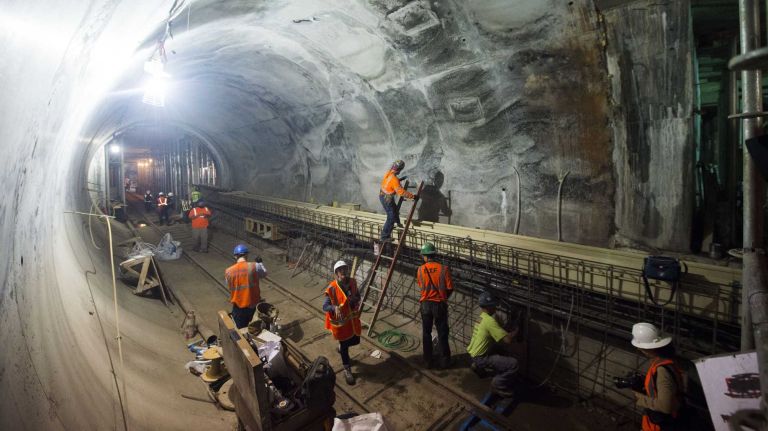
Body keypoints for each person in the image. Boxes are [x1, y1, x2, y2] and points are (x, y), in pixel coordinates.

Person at [630, 322, 686, 431]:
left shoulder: (662, 370)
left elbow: (666, 406)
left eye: (639, 347)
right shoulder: (667, 360)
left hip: (662, 425)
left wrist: (641, 398)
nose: (638, 349)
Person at [466, 291, 519, 398]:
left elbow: (497, 332)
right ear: (489, 306)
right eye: (494, 305)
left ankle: (476, 366)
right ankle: (497, 385)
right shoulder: (490, 321)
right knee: (514, 364)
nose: (496, 307)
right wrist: (517, 330)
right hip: (481, 357)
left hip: (472, 354)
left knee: (498, 348)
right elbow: (508, 340)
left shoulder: (481, 317)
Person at [322, 260, 361, 385]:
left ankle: (341, 348)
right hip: (341, 324)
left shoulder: (352, 282)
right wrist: (335, 307)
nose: (343, 272)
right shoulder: (332, 287)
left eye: (344, 269)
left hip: (352, 321)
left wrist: (354, 299)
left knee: (356, 340)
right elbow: (325, 306)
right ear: (336, 274)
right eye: (340, 270)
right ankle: (346, 368)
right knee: (344, 346)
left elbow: (358, 296)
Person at [416, 242, 453, 369]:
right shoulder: (444, 269)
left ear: (425, 256)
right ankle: (445, 361)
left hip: (426, 305)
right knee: (443, 333)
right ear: (434, 254)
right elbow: (450, 288)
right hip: (440, 304)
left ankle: (428, 360)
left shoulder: (420, 270)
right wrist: (443, 298)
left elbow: (421, 286)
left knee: (426, 333)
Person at [225, 244, 267, 328]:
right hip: (254, 306)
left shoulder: (228, 271)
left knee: (241, 331)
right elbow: (264, 273)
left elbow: (228, 284)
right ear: (246, 255)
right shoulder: (254, 266)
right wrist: (260, 263)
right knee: (256, 329)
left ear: (235, 256)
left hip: (239, 308)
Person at [379, 160, 415, 242]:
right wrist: (413, 196)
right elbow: (401, 192)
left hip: (383, 195)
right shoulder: (394, 180)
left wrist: (400, 179)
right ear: (399, 169)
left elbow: (391, 182)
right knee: (391, 216)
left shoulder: (388, 173)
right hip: (386, 198)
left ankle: (393, 224)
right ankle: (384, 237)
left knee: (394, 211)